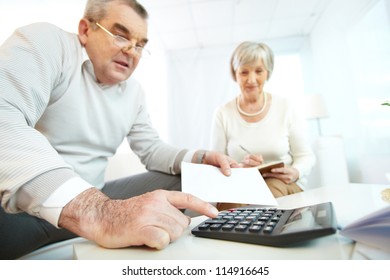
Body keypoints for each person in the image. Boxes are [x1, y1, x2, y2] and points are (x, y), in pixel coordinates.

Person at [0, 0, 239, 259]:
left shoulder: (134, 93)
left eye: (140, 45)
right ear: (85, 29)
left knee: (185, 180)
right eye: (120, 36)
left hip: (94, 194)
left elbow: (151, 150)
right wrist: (97, 213)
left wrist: (200, 158)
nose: (132, 51)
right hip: (21, 210)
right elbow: (4, 116)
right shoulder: (48, 43)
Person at [211, 41, 315, 209]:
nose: (251, 79)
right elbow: (216, 164)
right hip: (241, 183)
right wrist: (240, 167)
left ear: (268, 73)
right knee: (228, 205)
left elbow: (306, 156)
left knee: (270, 194)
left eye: (258, 71)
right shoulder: (223, 113)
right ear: (235, 74)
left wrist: (296, 171)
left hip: (281, 183)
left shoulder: (286, 107)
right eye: (244, 72)